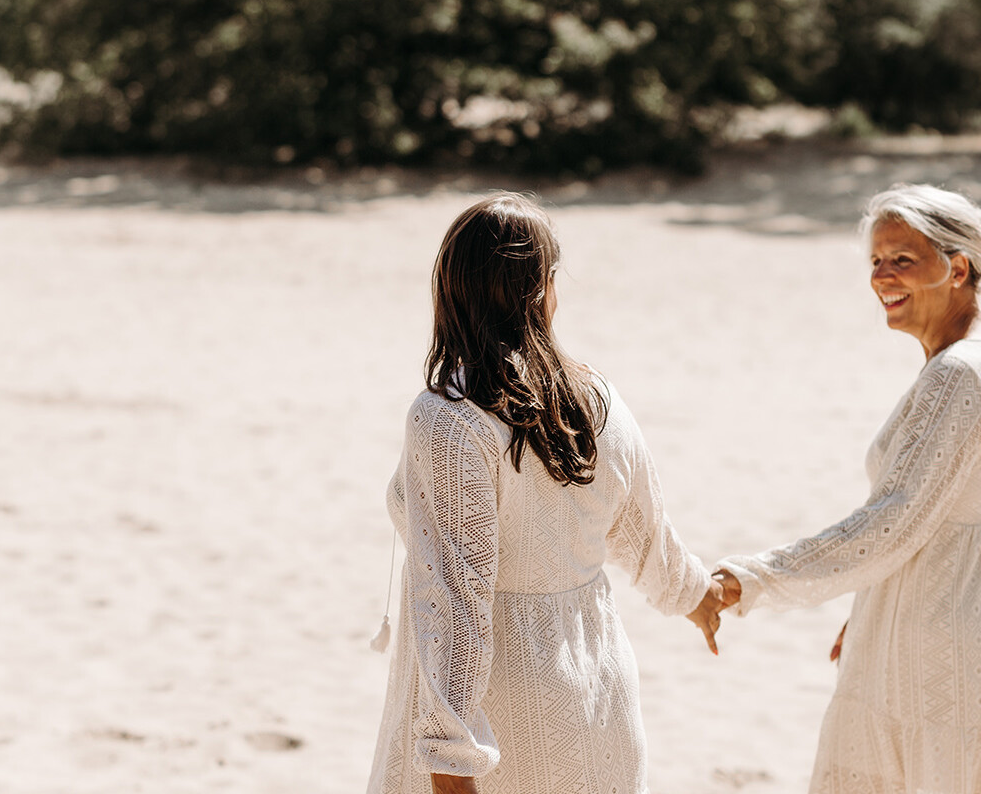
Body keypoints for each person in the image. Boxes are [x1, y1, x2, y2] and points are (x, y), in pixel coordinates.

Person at [367, 192, 725, 794]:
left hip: (501, 720)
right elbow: (645, 536)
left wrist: (451, 763)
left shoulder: (450, 417)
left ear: (449, 289)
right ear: (547, 288)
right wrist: (699, 597)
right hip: (597, 690)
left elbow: (457, 600)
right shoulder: (598, 398)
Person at [711, 184, 981, 793]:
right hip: (923, 636)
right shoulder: (961, 367)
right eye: (876, 262)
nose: (881, 277)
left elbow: (893, 520)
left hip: (937, 661)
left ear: (958, 268)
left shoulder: (959, 374)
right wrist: (874, 604)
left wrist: (748, 580)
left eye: (902, 260)